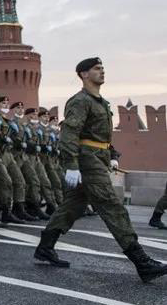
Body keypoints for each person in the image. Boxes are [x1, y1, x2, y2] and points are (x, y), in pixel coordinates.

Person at [34, 57, 167, 282]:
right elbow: (69, 135)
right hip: (87, 162)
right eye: (97, 68)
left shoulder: (101, 103)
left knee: (72, 206)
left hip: (98, 158)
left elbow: (101, 137)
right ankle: (141, 261)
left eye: (103, 68)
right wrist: (72, 166)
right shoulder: (80, 101)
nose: (102, 71)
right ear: (84, 74)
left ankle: (45, 246)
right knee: (112, 206)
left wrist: (112, 155)